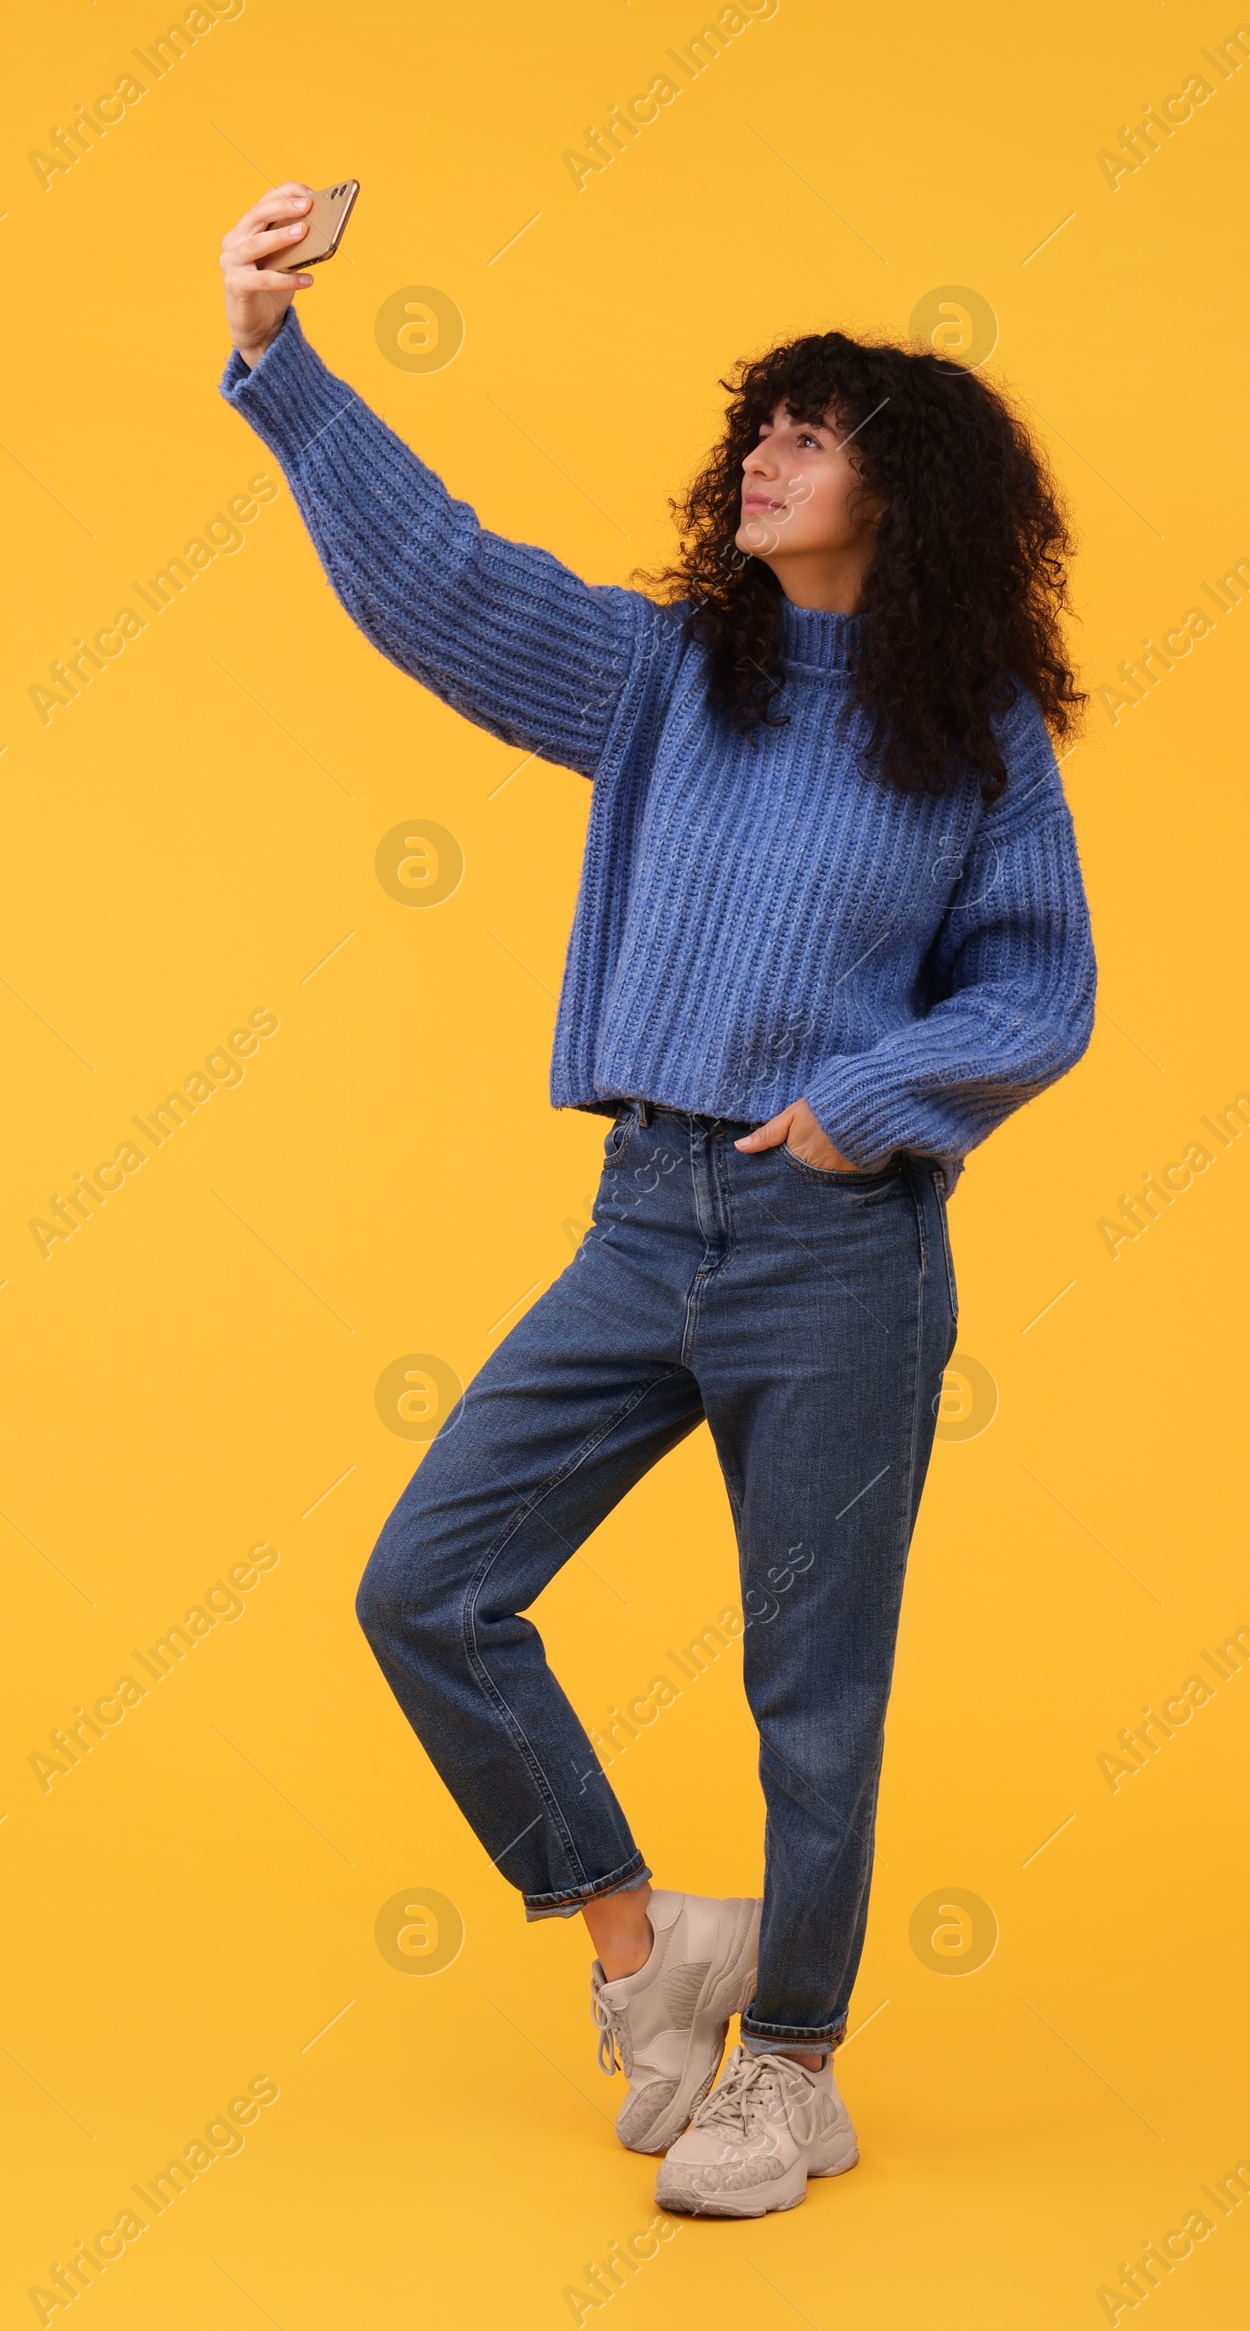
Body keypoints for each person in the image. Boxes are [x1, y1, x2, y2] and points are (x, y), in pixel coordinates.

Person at [218, 182, 1097, 2218]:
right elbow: (439, 581)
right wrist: (277, 361)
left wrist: (857, 1103)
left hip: (836, 1250)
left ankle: (788, 2074)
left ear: (909, 491)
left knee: (809, 1683)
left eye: (814, 427)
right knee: (425, 1585)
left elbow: (1034, 985)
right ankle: (646, 1947)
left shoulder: (965, 737)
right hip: (641, 1217)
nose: (765, 452)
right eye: (758, 428)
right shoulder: (658, 683)